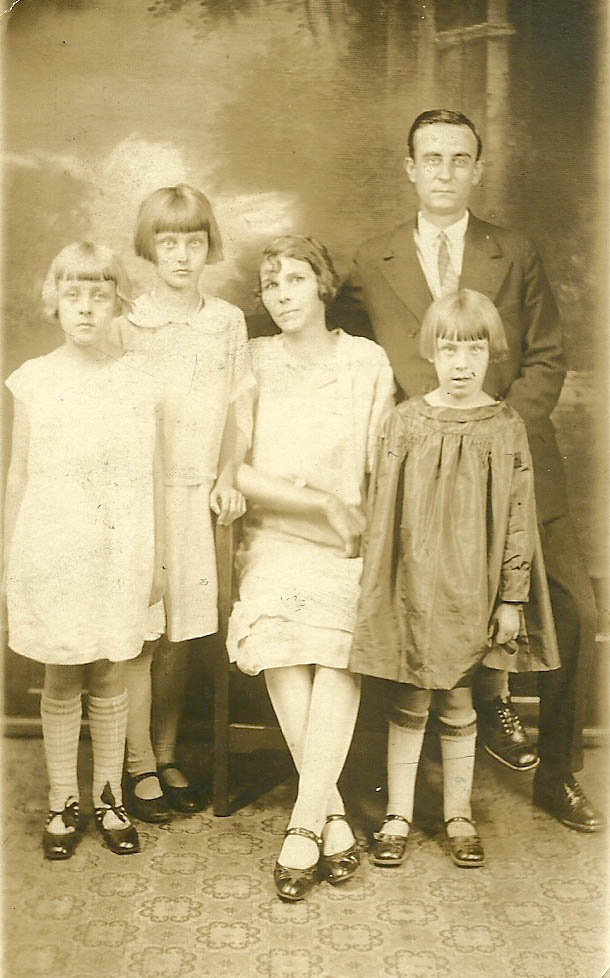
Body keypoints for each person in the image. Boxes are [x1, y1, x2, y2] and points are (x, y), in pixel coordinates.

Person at [332, 108, 604, 832]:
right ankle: (394, 778)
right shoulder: (374, 258)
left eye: (460, 158)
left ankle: (557, 774)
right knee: (402, 604)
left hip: (514, 462)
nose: (446, 171)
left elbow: (546, 354)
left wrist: (497, 435)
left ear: (476, 168)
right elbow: (351, 361)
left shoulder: (512, 250)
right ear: (411, 170)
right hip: (420, 479)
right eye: (433, 158)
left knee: (575, 612)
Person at [351, 289, 560, 868]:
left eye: (473, 349)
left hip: (474, 588)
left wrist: (511, 598)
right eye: (449, 349)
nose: (461, 364)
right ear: (431, 352)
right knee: (412, 694)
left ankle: (458, 814)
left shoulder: (505, 426)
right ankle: (396, 813)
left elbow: (519, 517)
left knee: (460, 698)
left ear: (491, 353)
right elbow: (384, 512)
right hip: (416, 586)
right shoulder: (405, 423)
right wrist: (384, 588)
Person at [226, 235, 394, 900]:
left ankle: (309, 820)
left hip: (348, 544)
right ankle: (326, 819)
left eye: (296, 279)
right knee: (279, 642)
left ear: (323, 286)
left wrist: (360, 529)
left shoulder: (366, 362)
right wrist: (318, 501)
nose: (283, 295)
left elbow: (383, 469)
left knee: (333, 646)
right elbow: (233, 467)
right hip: (275, 538)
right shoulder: (254, 359)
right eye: (272, 285)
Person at [3, 242, 164, 858]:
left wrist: (157, 561)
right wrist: (8, 553)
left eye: (100, 295)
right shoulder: (36, 380)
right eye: (74, 294)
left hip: (119, 544)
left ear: (118, 301)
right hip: (53, 545)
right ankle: (62, 802)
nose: (87, 308)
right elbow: (19, 472)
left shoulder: (139, 380)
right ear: (55, 301)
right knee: (62, 668)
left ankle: (109, 797)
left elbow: (151, 473)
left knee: (111, 666)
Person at [120, 184, 249, 823]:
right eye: (168, 241)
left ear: (208, 247)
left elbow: (235, 411)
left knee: (183, 639)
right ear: (150, 246)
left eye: (193, 241)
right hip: (143, 498)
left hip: (201, 498)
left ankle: (166, 754)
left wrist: (227, 474)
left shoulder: (225, 322)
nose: (181, 255)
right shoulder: (128, 324)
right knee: (143, 635)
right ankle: (138, 765)